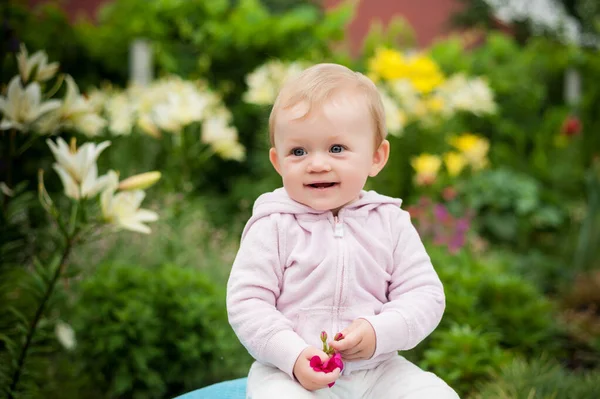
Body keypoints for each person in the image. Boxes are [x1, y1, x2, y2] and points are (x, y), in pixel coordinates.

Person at [226, 63, 459, 399]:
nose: (317, 163)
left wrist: (378, 333)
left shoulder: (389, 222)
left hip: (378, 371)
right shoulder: (273, 225)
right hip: (291, 374)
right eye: (299, 151)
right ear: (278, 162)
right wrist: (292, 355)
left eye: (336, 149)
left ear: (376, 157)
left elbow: (425, 295)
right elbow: (248, 302)